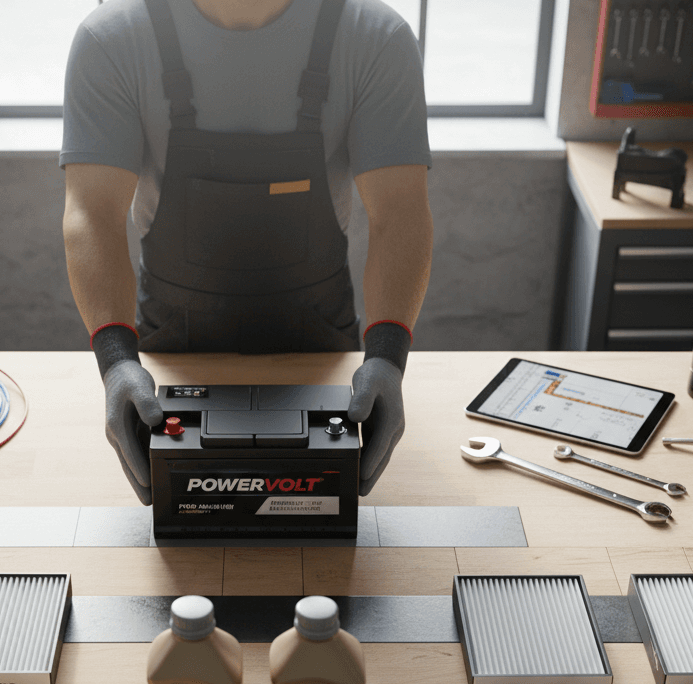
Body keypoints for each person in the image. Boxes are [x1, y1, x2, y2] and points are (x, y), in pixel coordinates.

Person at [62, 0, 432, 504]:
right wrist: (116, 361)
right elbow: (92, 214)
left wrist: (388, 357)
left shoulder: (374, 37)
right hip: (168, 361)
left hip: (322, 354)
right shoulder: (113, 39)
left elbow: (401, 213)